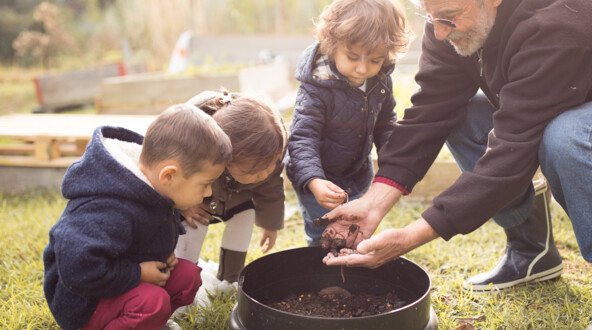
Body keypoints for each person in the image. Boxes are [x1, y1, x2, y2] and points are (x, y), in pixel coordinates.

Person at [321, 0, 592, 329]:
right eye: (430, 16)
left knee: (569, 136)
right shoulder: (447, 21)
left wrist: (411, 236)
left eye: (449, 17)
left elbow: (513, 149)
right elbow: (431, 111)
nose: (437, 32)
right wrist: (375, 201)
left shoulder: (562, 21)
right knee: (466, 115)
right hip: (561, 103)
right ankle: (531, 252)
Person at [43, 104, 232, 330]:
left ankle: (148, 323)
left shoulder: (154, 188)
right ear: (169, 175)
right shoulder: (106, 208)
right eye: (205, 184)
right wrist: (137, 273)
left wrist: (160, 254)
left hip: (120, 280)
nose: (209, 192)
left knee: (187, 277)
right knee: (152, 303)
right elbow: (77, 269)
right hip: (85, 302)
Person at [285, 0, 412, 246]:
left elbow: (385, 123)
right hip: (320, 183)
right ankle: (320, 274)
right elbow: (303, 138)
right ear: (331, 45)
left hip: (357, 175)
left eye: (375, 60)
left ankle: (349, 273)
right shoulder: (316, 87)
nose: (363, 68)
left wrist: (393, 163)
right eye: (353, 57)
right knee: (323, 234)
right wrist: (314, 181)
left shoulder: (381, 81)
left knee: (354, 230)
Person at [174, 90, 287, 284]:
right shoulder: (194, 147)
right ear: (225, 159)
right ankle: (184, 280)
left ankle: (230, 278)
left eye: (272, 164)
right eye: (253, 172)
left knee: (245, 215)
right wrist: (183, 205)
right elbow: (172, 178)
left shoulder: (266, 154)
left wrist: (270, 223)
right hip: (196, 200)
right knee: (194, 224)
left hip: (234, 195)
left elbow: (271, 188)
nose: (264, 174)